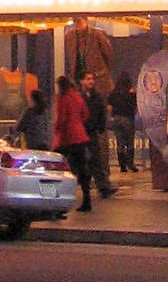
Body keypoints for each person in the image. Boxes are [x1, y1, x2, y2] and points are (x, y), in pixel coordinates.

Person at [53, 74, 93, 212]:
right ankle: (87, 199)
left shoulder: (62, 98)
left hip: (66, 138)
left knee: (55, 169)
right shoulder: (77, 96)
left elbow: (62, 118)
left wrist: (56, 128)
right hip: (80, 136)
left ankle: (55, 201)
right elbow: (85, 114)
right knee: (82, 170)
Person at [79, 70, 118, 196]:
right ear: (82, 81)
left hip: (91, 133)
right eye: (88, 79)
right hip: (79, 134)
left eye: (92, 79)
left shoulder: (97, 97)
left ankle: (103, 187)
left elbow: (102, 113)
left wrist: (101, 128)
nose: (91, 81)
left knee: (96, 160)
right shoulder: (78, 97)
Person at [64, 15, 113, 96]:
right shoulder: (69, 36)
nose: (77, 24)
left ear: (86, 21)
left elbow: (108, 54)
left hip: (98, 78)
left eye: (79, 21)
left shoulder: (97, 34)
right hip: (79, 79)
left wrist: (103, 71)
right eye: (75, 21)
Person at [107, 69, 138, 173]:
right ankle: (131, 164)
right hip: (128, 119)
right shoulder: (132, 93)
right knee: (129, 143)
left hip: (116, 119)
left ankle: (122, 166)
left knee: (120, 143)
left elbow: (109, 108)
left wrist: (112, 116)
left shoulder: (113, 93)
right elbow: (135, 108)